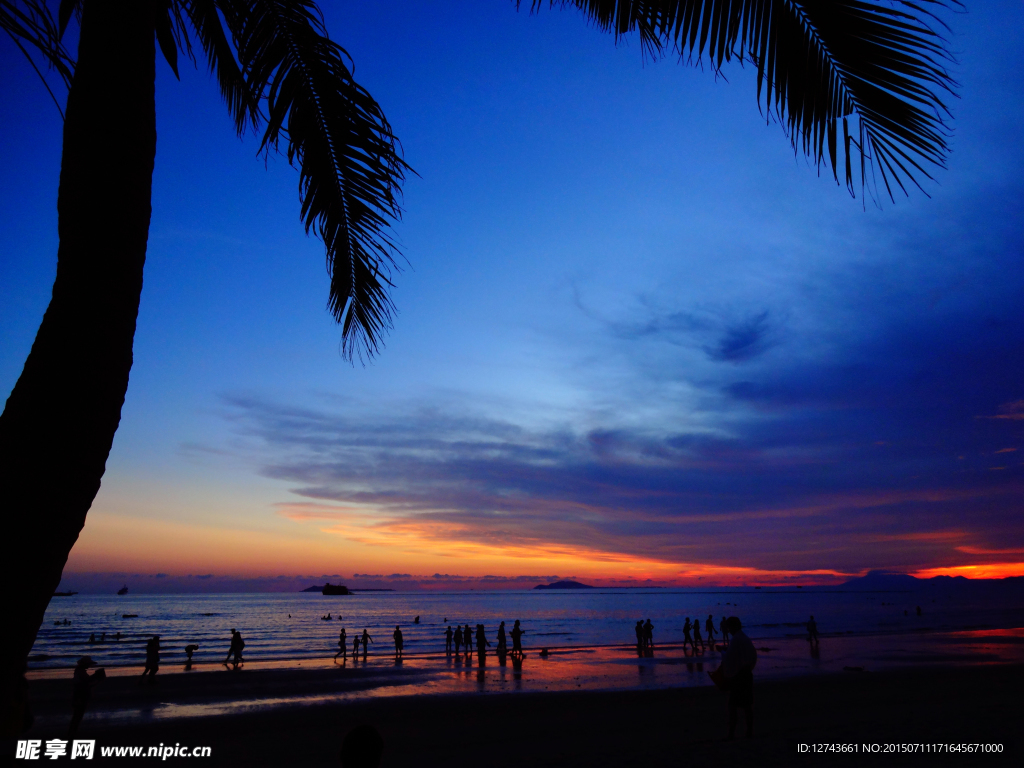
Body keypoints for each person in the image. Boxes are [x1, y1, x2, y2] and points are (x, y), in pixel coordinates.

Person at [718, 617, 757, 739]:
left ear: (733, 627)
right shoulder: (744, 638)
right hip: (747, 674)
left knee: (733, 706)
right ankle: (749, 731)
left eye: (729, 628)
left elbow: (730, 658)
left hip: (739, 676)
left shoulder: (736, 639)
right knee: (747, 706)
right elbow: (750, 656)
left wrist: (722, 652)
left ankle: (731, 734)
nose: (728, 630)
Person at [69, 656, 105, 738]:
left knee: (77, 715)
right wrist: (98, 679)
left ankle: (72, 732)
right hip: (80, 696)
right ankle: (72, 733)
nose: (89, 666)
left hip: (79, 695)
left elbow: (87, 681)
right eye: (88, 664)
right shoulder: (81, 672)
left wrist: (95, 678)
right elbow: (87, 683)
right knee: (78, 714)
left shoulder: (79, 671)